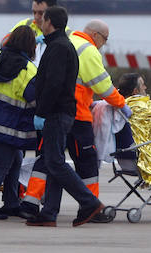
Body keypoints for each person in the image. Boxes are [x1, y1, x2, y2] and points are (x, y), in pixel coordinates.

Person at [21, 19, 128, 219]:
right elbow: (103, 86)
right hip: (77, 115)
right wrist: (122, 104)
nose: (103, 44)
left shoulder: (65, 42)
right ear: (96, 35)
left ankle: (31, 203)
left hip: (52, 113)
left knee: (49, 159)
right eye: (104, 40)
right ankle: (92, 206)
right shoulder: (89, 50)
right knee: (86, 161)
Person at [26, 6, 106, 227]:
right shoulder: (58, 45)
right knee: (54, 163)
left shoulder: (59, 48)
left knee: (55, 162)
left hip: (56, 113)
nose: (39, 22)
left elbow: (53, 83)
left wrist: (41, 113)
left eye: (42, 19)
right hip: (60, 112)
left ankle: (89, 202)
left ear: (49, 22)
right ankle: (49, 212)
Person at [0, 25, 39, 219]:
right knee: (2, 164)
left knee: (16, 159)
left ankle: (11, 203)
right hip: (12, 125)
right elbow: (33, 99)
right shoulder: (29, 70)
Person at [7, 0, 57, 64]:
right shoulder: (25, 24)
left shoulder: (64, 32)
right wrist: (30, 42)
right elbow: (4, 43)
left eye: (41, 13)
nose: (36, 17)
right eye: (34, 12)